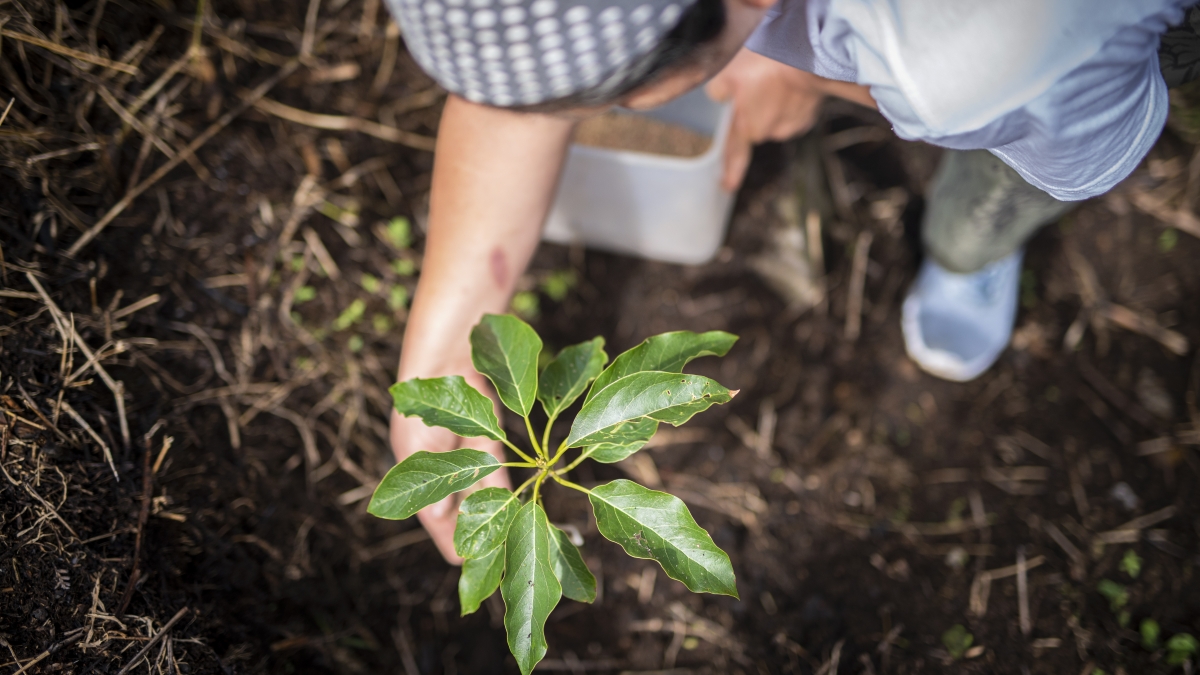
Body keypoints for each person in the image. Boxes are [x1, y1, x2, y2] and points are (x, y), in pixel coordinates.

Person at [380, 0, 1195, 562]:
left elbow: (1083, 154)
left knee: (993, 190)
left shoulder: (976, 61)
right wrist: (445, 344)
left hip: (1074, 74)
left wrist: (808, 70)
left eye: (616, 94)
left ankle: (966, 254)